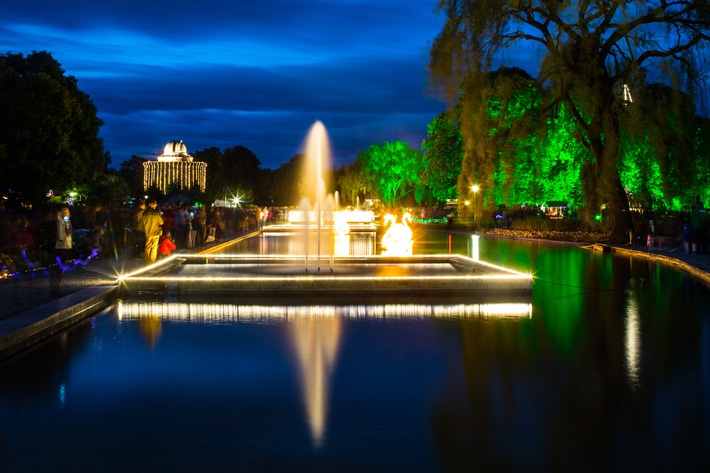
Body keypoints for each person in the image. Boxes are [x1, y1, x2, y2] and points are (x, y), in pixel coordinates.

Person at [50, 207, 73, 296]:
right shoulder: (60, 221)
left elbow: (69, 232)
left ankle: (56, 289)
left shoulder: (67, 222)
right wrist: (63, 238)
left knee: (60, 268)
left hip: (66, 245)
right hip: (61, 246)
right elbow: (60, 235)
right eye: (64, 212)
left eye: (67, 212)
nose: (66, 214)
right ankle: (54, 290)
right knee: (58, 268)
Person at [139, 198, 164, 265]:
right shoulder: (156, 213)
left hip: (148, 232)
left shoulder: (144, 213)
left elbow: (143, 222)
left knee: (147, 247)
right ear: (154, 205)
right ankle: (152, 261)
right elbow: (161, 222)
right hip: (155, 233)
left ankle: (146, 260)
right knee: (154, 247)